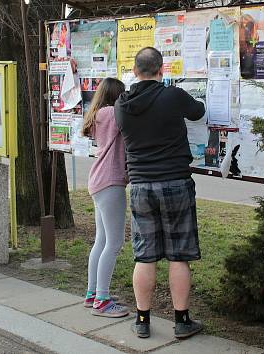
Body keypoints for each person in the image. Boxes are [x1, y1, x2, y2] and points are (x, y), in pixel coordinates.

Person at [114, 47, 206, 339]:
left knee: (145, 256)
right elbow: (198, 111)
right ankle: (182, 321)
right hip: (175, 183)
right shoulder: (173, 95)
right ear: (161, 70)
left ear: (134, 71)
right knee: (178, 255)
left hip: (140, 186)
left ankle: (142, 321)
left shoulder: (121, 104)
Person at [82, 77, 129, 318]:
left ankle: (93, 294)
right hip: (110, 181)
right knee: (114, 242)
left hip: (98, 180)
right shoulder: (113, 113)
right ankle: (102, 300)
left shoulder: (98, 113)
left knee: (101, 240)